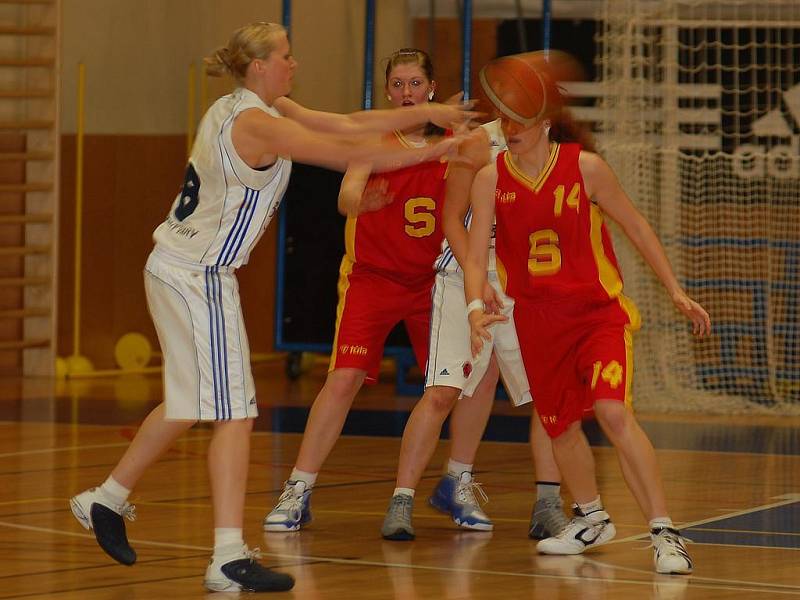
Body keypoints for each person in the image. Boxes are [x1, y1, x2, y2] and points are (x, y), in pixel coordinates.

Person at [68, 24, 473, 594]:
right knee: (235, 414)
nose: (293, 64)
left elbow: (348, 124)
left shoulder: (251, 104)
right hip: (197, 275)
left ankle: (104, 499)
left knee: (189, 406)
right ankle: (228, 554)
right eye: (285, 57)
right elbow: (348, 151)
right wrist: (439, 145)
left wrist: (431, 117)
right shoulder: (257, 123)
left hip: (181, 267)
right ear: (260, 65)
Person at [464, 54, 710, 574]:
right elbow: (472, 250)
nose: (509, 129)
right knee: (558, 428)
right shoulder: (490, 178)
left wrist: (676, 290)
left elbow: (637, 226)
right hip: (535, 319)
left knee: (613, 412)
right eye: (503, 119)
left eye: (520, 120)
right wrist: (472, 305)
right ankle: (592, 517)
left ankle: (665, 531)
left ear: (544, 123)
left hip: (598, 314)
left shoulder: (585, 167)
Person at [263, 48, 478, 536]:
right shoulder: (374, 139)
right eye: (397, 85)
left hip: (434, 284)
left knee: (456, 388)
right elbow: (345, 196)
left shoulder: (457, 144)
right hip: (372, 279)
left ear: (431, 89)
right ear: (387, 92)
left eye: (414, 84)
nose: (406, 93)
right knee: (342, 380)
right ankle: (298, 488)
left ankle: (457, 480)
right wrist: (362, 200)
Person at [380, 116, 570, 542]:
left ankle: (545, 504)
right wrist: (476, 278)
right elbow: (451, 219)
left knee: (545, 394)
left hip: (524, 281)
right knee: (444, 391)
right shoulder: (478, 143)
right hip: (463, 272)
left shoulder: (556, 149)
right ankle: (402, 498)